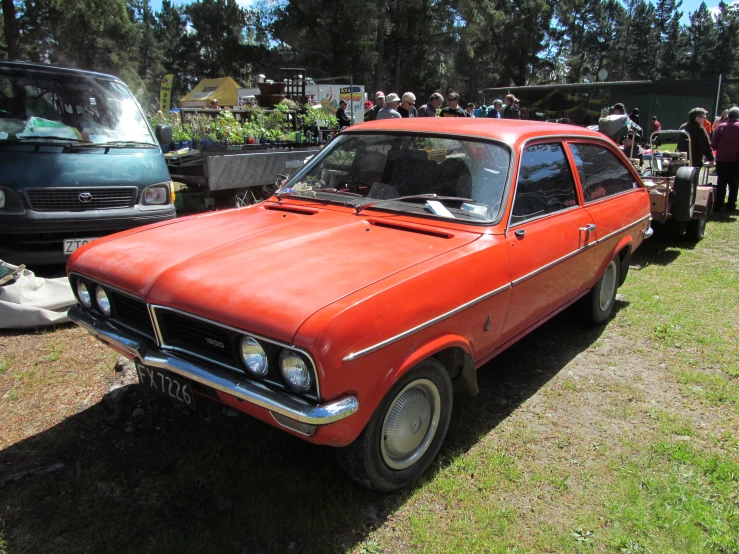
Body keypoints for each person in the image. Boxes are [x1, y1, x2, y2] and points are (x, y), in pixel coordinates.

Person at [711, 106, 739, 212]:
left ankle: (719, 204)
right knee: (734, 182)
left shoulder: (721, 127)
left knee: (721, 182)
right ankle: (731, 204)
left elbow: (713, 144)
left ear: (728, 115)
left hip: (722, 159)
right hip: (736, 159)